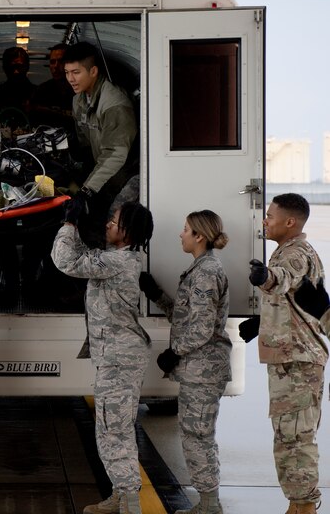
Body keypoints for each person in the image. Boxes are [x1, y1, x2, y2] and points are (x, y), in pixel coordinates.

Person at [51, 200, 154, 514]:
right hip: (116, 356)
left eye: (115, 220)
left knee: (114, 430)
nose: (108, 223)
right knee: (111, 428)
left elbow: (65, 260)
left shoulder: (118, 262)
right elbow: (86, 257)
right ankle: (120, 495)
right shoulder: (120, 259)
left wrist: (68, 225)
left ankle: (130, 504)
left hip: (118, 358)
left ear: (128, 231)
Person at [139, 211, 231, 514]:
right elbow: (186, 317)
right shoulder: (200, 269)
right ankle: (209, 503)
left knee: (197, 436)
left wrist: (174, 352)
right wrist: (157, 296)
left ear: (199, 236)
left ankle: (208, 506)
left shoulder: (205, 273)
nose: (181, 234)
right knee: (199, 435)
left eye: (185, 229)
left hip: (203, 369)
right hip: (201, 369)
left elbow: (202, 328)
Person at [241, 193, 326, 514]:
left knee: (295, 434)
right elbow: (295, 299)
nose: (265, 220)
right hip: (291, 357)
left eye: (270, 216)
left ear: (290, 222)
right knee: (288, 432)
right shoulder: (288, 251)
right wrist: (262, 323)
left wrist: (265, 277)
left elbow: (282, 279)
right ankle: (298, 503)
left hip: (298, 360)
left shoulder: (294, 254)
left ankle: (304, 506)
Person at [62, 41, 139, 248]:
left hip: (126, 177)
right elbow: (85, 144)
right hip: (104, 176)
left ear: (93, 71)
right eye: (67, 72)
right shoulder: (79, 100)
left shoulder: (115, 104)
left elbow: (115, 154)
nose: (70, 78)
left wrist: (87, 190)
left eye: (76, 72)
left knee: (115, 231)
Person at [30, 43, 75, 130]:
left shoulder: (79, 89)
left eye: (61, 61)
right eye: (52, 62)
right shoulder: (42, 91)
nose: (56, 66)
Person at [0, 46, 36, 126]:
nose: (16, 71)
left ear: (27, 67)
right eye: (11, 67)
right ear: (5, 69)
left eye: (19, 67)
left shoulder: (38, 94)